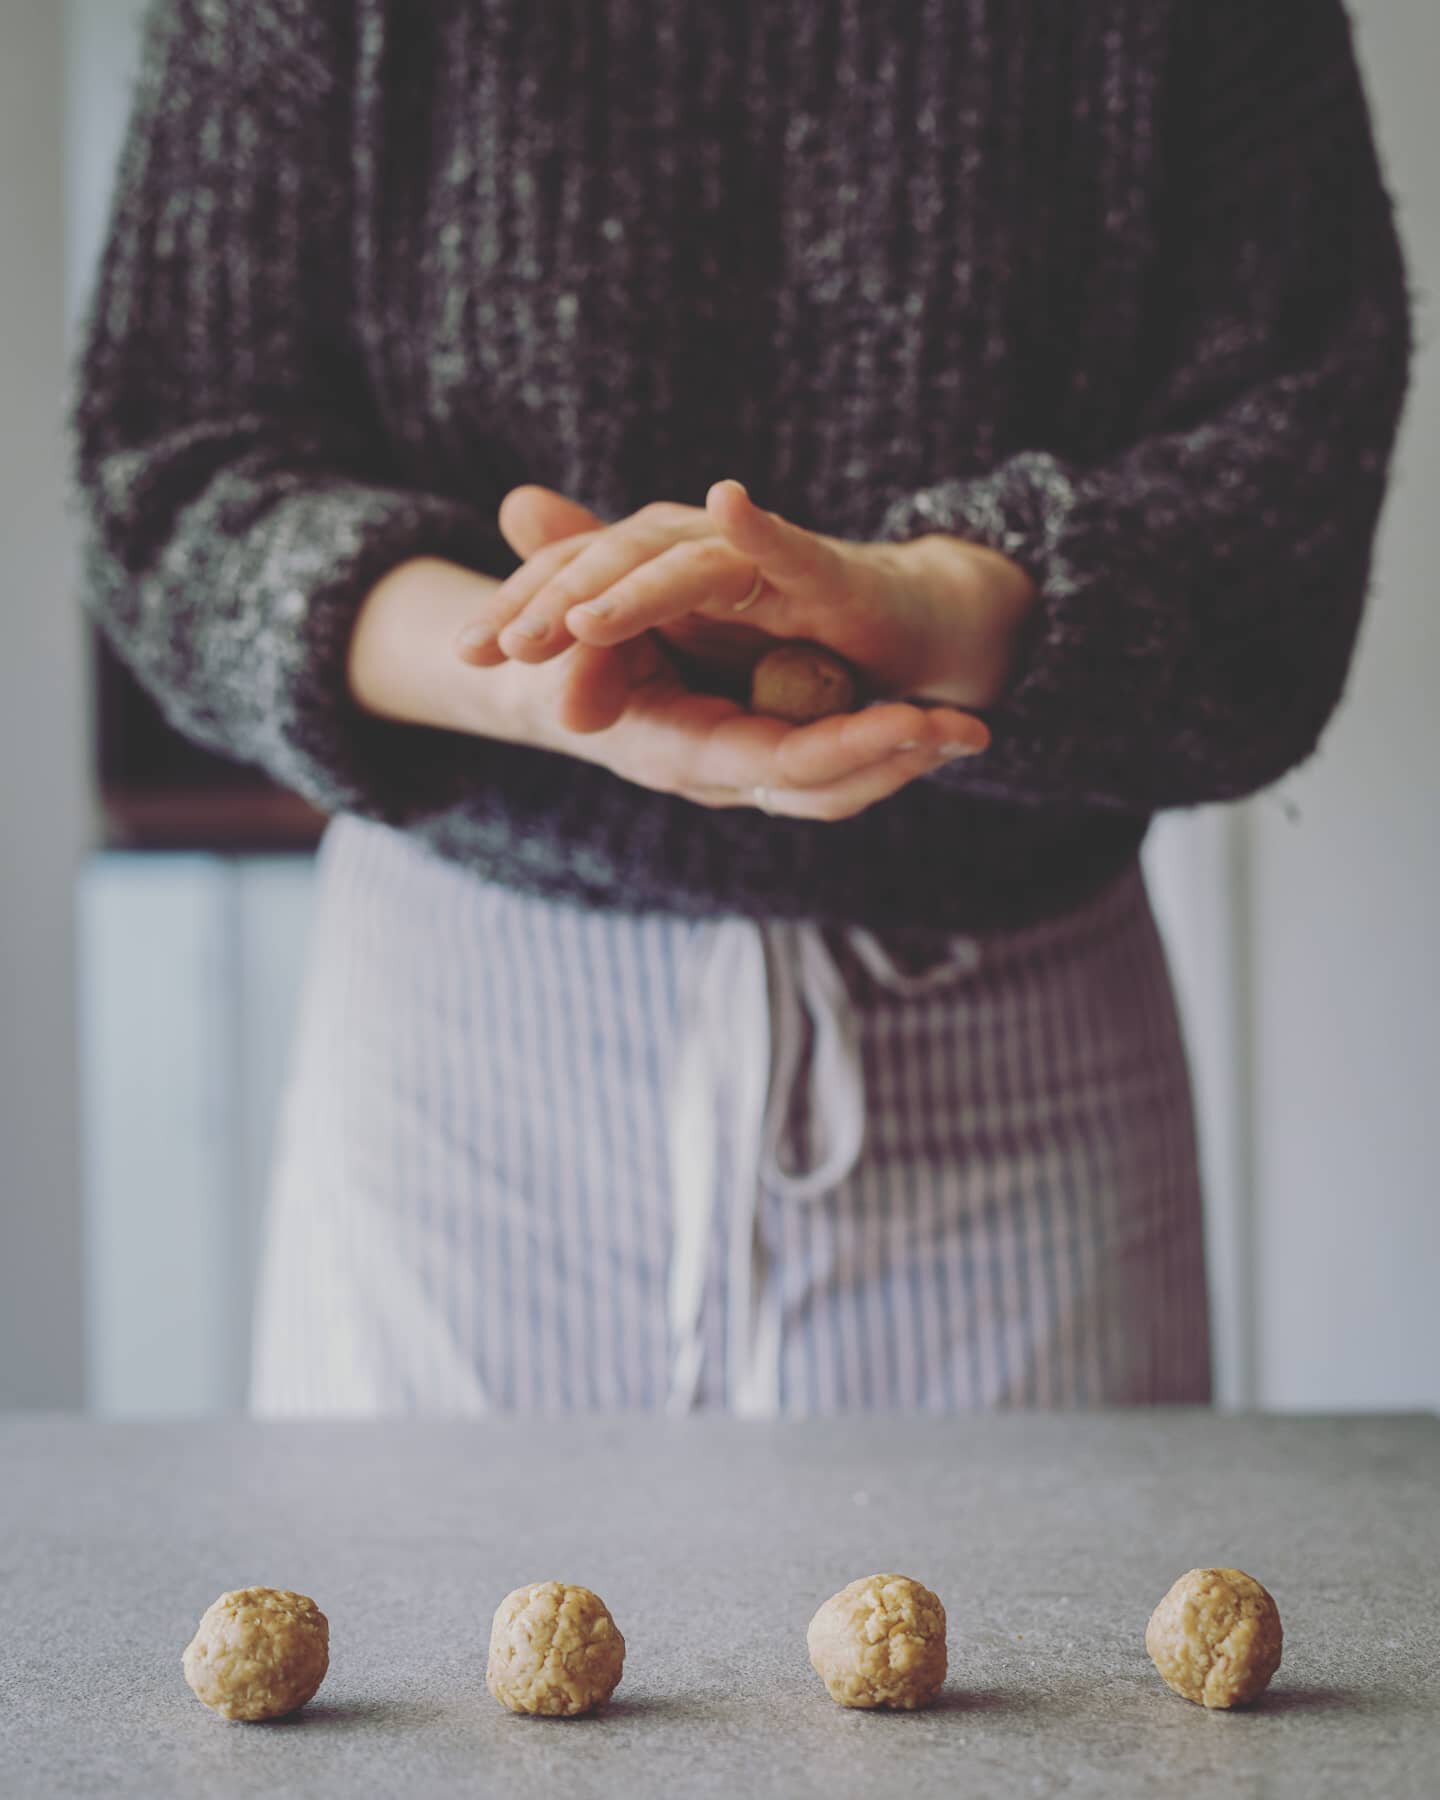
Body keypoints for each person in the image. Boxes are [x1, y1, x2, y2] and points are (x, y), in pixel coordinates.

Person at [71, 0, 1411, 1417]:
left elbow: (1289, 481)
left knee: (1049, 1641)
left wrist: (948, 604)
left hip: (1017, 1049)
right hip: (463, 1071)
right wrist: (526, 661)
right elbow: (176, 476)